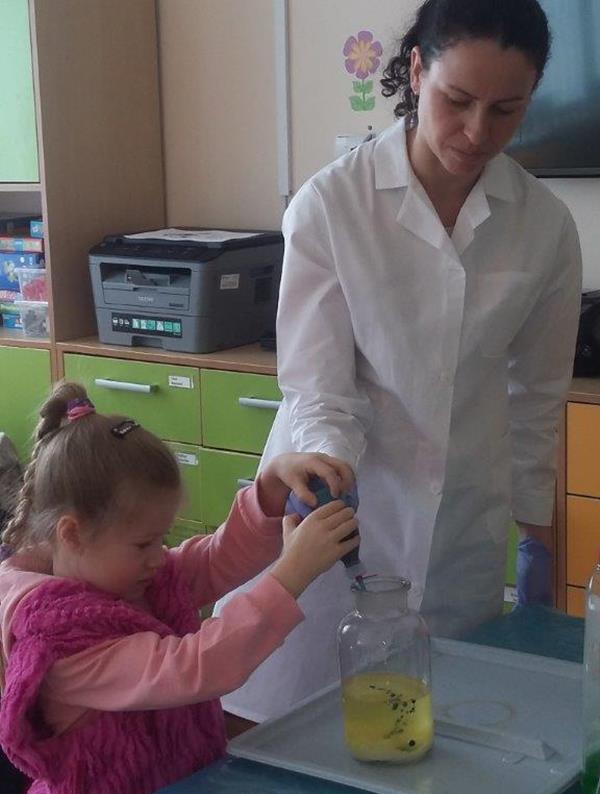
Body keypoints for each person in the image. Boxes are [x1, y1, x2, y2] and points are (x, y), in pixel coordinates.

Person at [215, 0, 582, 723]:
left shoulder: (544, 226)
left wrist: (537, 532)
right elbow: (321, 391)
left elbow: (536, 396)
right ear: (416, 71)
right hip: (341, 518)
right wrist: (329, 478)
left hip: (463, 533)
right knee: (299, 731)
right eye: (457, 100)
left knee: (443, 733)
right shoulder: (331, 207)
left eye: (506, 110)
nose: (477, 132)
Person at [0, 381, 358, 794]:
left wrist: (270, 491)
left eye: (162, 538)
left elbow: (214, 558)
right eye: (143, 543)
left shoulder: (125, 573)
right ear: (73, 534)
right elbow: (192, 666)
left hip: (181, 784)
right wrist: (292, 574)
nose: (159, 556)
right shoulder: (60, 645)